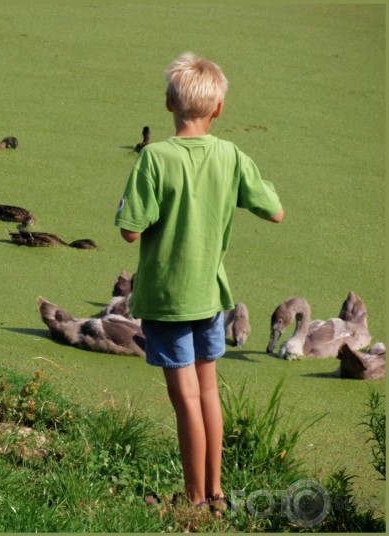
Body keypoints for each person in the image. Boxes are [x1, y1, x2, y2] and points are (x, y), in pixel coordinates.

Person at [115, 52, 284, 512]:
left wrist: (127, 207)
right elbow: (275, 210)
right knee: (208, 392)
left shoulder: (154, 158)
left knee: (185, 398)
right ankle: (217, 493)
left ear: (169, 103)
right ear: (219, 109)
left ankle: (191, 500)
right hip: (212, 296)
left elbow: (131, 228)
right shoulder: (231, 155)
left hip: (168, 299)